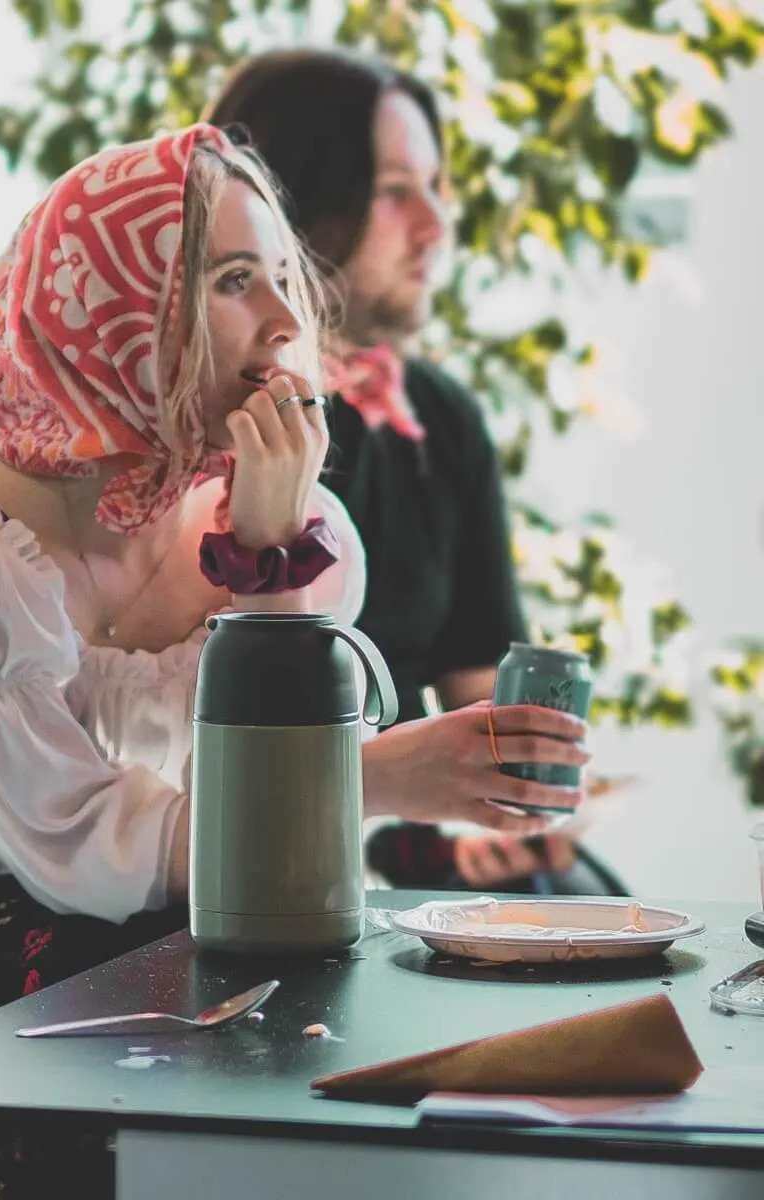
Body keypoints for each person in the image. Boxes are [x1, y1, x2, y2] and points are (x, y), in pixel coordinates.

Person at [0, 125, 588, 1200]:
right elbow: (79, 853)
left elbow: (245, 811)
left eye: (280, 278)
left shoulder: (264, 520)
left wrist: (267, 554)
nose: (280, 322)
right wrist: (380, 779)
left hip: (149, 946)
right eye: (228, 282)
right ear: (114, 308)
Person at [205, 48, 606, 892]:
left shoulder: (443, 418)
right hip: (267, 851)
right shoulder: (210, 422)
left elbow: (479, 705)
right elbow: (189, 752)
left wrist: (521, 794)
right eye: (396, 191)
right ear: (292, 199)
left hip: (407, 852)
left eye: (435, 187)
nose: (436, 225)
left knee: (601, 923)